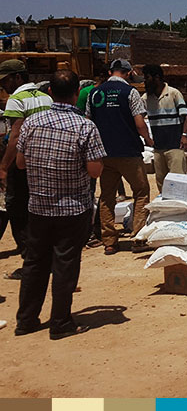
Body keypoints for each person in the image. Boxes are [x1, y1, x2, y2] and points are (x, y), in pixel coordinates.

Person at [14, 70, 105, 339]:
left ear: (50, 92)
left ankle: (26, 320)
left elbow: (20, 163)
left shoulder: (32, 122)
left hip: (38, 207)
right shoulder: (85, 126)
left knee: (34, 263)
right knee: (65, 264)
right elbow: (95, 171)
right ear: (77, 93)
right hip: (72, 208)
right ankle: (60, 322)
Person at [86, 59, 153, 255]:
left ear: (110, 72)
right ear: (129, 72)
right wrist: (148, 139)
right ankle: (139, 238)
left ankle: (109, 241)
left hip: (104, 153)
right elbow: (139, 123)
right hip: (128, 152)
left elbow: (89, 122)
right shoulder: (130, 92)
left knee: (107, 196)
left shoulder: (95, 92)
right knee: (141, 191)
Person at [0, 59, 52, 280]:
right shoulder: (46, 97)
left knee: (16, 209)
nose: (4, 86)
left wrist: (3, 167)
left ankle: (30, 261)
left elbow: (15, 137)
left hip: (22, 164)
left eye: (6, 80)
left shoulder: (16, 100)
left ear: (18, 77)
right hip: (45, 161)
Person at [143, 65, 187, 194]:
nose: (144, 81)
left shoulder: (174, 93)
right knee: (161, 182)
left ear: (157, 77)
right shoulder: (146, 98)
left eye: (147, 78)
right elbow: (138, 117)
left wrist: (184, 135)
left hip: (175, 146)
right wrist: (146, 137)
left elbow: (185, 116)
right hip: (158, 148)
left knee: (178, 181)